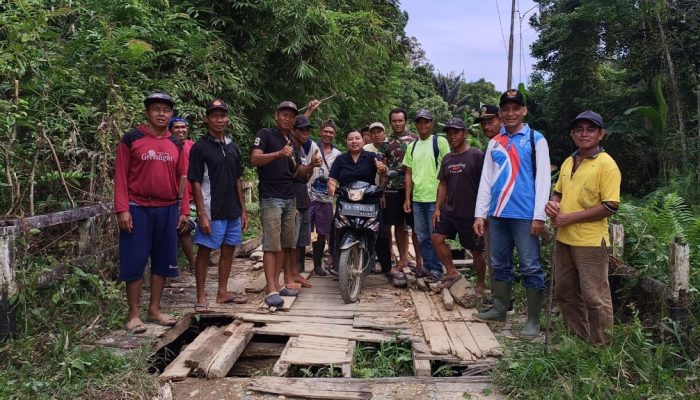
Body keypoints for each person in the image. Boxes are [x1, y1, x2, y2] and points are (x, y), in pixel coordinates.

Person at [472, 89, 551, 338]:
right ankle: (499, 307)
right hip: (497, 214)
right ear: (501, 112)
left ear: (524, 111)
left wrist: (540, 215)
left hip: (525, 215)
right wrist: (479, 214)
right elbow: (486, 180)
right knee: (499, 263)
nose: (510, 113)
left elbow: (543, 179)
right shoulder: (495, 142)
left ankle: (533, 320)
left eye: (515, 108)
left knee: (530, 266)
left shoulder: (536, 139)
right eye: (505, 109)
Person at [114, 92, 189, 333]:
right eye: (156, 109)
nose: (161, 114)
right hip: (138, 207)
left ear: (170, 114)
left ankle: (154, 309)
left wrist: (183, 211)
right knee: (135, 260)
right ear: (147, 112)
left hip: (167, 208)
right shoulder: (132, 139)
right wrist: (122, 209)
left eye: (166, 110)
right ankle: (134, 314)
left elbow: (183, 180)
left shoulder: (176, 143)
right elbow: (121, 177)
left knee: (163, 260)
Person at [545, 110, 620, 345]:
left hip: (589, 242)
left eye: (590, 129)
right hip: (564, 239)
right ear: (572, 134)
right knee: (565, 292)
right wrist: (553, 204)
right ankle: (577, 340)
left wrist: (571, 218)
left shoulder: (607, 165)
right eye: (579, 129)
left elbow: (610, 206)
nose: (584, 133)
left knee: (595, 297)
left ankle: (602, 347)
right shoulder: (570, 161)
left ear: (601, 134)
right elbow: (559, 191)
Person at [188, 99, 248, 312]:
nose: (219, 119)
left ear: (227, 119)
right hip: (211, 209)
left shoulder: (232, 146)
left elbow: (238, 179)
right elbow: (195, 181)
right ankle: (201, 293)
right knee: (205, 251)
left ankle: (222, 292)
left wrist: (243, 209)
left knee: (229, 250)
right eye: (215, 116)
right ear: (207, 119)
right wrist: (201, 214)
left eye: (222, 115)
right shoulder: (200, 147)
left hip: (232, 208)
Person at [251, 101, 304, 308]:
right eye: (284, 114)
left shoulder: (292, 140)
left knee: (284, 243)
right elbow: (254, 159)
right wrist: (278, 154)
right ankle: (271, 288)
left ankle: (281, 284)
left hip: (290, 196)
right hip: (271, 196)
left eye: (291, 116)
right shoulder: (265, 134)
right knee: (271, 245)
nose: (287, 118)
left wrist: (311, 166)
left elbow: (296, 170)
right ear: (276, 116)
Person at [431, 118, 487, 294]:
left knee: (476, 250)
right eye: (449, 133)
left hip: (471, 213)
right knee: (437, 238)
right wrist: (438, 208)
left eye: (456, 132)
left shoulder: (477, 156)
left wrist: (483, 213)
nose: (452, 136)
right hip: (449, 210)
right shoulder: (447, 158)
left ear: (465, 134)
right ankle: (452, 271)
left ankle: (480, 284)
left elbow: (486, 184)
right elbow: (443, 184)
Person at [327, 130, 389, 271]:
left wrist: (382, 168)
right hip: (346, 201)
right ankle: (335, 262)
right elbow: (332, 179)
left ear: (363, 140)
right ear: (346, 142)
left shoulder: (371, 156)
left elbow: (383, 170)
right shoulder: (340, 159)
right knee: (336, 228)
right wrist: (331, 188)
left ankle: (387, 268)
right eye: (350, 139)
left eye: (357, 138)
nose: (354, 141)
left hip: (368, 201)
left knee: (380, 233)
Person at [402, 110, 450, 282]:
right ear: (416, 124)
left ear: (432, 123)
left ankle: (437, 269)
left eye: (426, 122)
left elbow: (447, 168)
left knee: (434, 236)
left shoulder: (440, 142)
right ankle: (428, 268)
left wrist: (443, 201)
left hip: (434, 198)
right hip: (417, 199)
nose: (423, 125)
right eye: (420, 122)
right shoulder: (412, 146)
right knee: (421, 236)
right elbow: (409, 173)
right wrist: (407, 198)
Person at [384, 108, 422, 278]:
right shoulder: (386, 143)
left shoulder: (416, 140)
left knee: (416, 227)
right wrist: (382, 191)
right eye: (394, 121)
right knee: (398, 225)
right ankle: (403, 259)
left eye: (400, 120)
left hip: (414, 189)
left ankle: (421, 261)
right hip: (392, 189)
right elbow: (382, 168)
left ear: (406, 121)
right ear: (390, 122)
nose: (397, 123)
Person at [289, 115, 322, 281]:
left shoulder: (302, 150)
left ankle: (295, 273)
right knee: (291, 241)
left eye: (308, 130)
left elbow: (304, 177)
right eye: (301, 129)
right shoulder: (289, 147)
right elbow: (294, 174)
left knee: (301, 239)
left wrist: (311, 166)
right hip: (292, 198)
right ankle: (290, 274)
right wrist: (311, 165)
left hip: (303, 197)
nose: (305, 133)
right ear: (293, 131)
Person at [309, 120, 342, 276]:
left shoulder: (338, 155)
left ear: (334, 134)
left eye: (331, 132)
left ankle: (317, 265)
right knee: (304, 230)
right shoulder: (311, 147)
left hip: (327, 199)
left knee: (322, 231)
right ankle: (299, 264)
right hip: (308, 195)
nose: (328, 134)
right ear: (320, 132)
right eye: (325, 131)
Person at [169, 117, 196, 273]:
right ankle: (172, 267)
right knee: (178, 230)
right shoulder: (167, 146)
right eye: (177, 127)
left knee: (184, 228)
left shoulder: (193, 146)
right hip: (173, 197)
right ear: (170, 130)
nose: (181, 130)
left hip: (192, 196)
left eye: (183, 127)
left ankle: (193, 264)